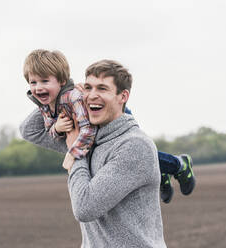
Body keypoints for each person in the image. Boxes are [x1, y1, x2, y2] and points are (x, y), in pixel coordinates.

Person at [21, 59, 167, 247]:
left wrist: (76, 151)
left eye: (102, 89)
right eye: (88, 87)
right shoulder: (86, 135)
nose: (91, 96)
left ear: (123, 97)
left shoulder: (134, 145)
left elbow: (85, 207)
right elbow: (29, 130)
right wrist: (61, 91)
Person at [22, 49, 195, 203]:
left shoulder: (72, 97)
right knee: (110, 153)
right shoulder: (46, 105)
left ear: (61, 80)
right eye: (33, 83)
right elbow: (34, 129)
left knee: (130, 152)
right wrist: (56, 123)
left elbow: (88, 129)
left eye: (44, 81)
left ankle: (178, 165)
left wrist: (73, 153)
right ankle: (162, 173)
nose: (37, 88)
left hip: (109, 118)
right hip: (88, 132)